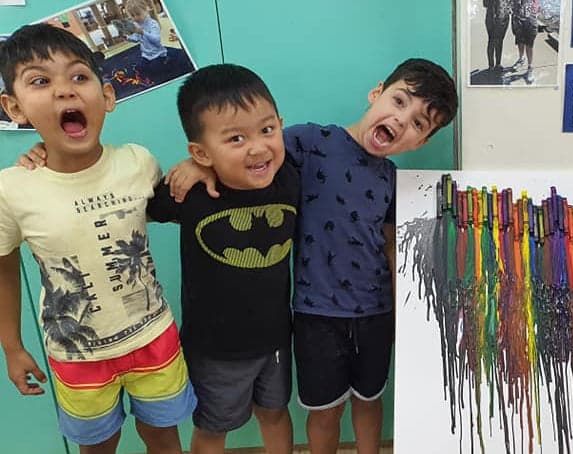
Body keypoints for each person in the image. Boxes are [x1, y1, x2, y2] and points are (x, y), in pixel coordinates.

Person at [166, 58, 459, 454]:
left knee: (370, 401)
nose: (403, 119)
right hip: (315, 314)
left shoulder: (393, 179)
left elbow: (392, 243)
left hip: (375, 313)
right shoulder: (308, 142)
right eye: (400, 100)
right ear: (377, 93)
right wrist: (199, 165)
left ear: (421, 142)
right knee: (324, 411)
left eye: (420, 123)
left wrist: (410, 305)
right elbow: (250, 156)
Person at [0, 23, 195, 453]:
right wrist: (12, 347)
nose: (65, 91)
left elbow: (182, 202)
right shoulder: (11, 189)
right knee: (97, 447)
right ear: (14, 108)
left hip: (154, 339)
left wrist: (200, 167)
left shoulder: (139, 162)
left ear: (107, 96)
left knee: (164, 439)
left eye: (79, 76)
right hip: (77, 357)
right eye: (40, 81)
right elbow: (4, 271)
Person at [149, 64, 298, 454]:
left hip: (276, 337)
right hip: (215, 349)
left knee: (276, 414)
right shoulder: (190, 195)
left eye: (267, 130)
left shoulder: (291, 179)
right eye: (235, 138)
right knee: (214, 427)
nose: (258, 147)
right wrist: (192, 169)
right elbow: (127, 198)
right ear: (201, 151)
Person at [511, 0, 538, 83]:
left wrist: (535, 10)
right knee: (520, 41)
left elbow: (536, 3)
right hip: (517, 17)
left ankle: (530, 68)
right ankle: (521, 58)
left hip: (530, 18)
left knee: (529, 45)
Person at [483, 0, 510, 70]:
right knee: (492, 41)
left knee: (500, 41)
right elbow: (485, 4)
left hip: (504, 18)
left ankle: (498, 63)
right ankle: (491, 65)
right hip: (492, 18)